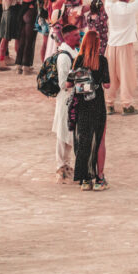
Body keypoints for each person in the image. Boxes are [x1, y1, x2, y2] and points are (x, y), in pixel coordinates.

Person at [66, 29, 110, 190]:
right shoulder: (102, 60)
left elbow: (68, 84)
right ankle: (99, 178)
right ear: (98, 44)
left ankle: (85, 179)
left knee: (83, 140)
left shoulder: (78, 61)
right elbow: (107, 84)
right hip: (97, 103)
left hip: (82, 104)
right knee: (99, 140)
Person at [52, 24, 80, 184]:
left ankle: (66, 165)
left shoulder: (72, 52)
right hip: (65, 100)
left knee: (69, 132)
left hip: (71, 99)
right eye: (76, 35)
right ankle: (60, 166)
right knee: (63, 133)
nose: (78, 37)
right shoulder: (64, 57)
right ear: (67, 37)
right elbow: (63, 83)